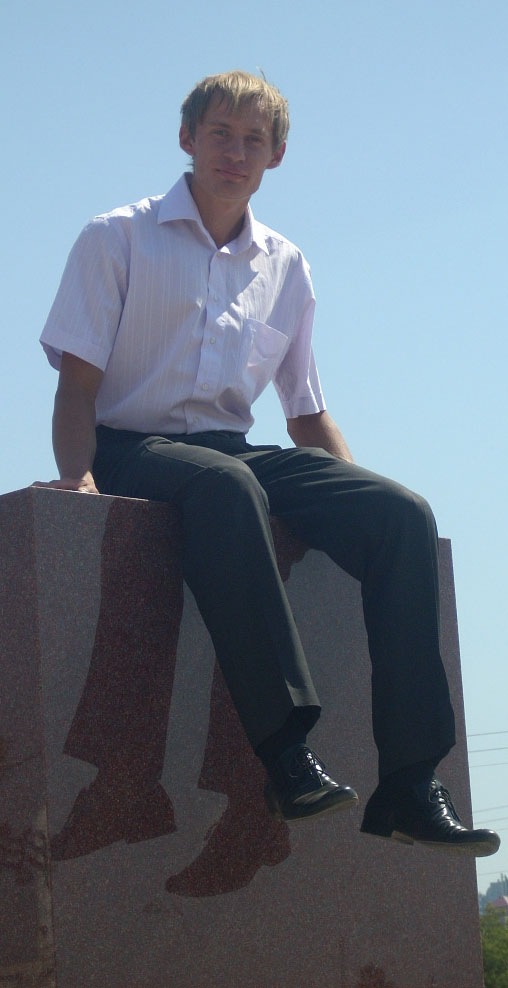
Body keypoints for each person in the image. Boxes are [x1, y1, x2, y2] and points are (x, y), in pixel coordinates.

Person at [37, 69, 499, 856]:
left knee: (401, 513)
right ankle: (286, 758)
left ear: (275, 156)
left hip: (233, 451)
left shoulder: (285, 264)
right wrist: (79, 477)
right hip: (132, 448)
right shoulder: (116, 237)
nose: (235, 152)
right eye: (220, 133)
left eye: (254, 140)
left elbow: (306, 411)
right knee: (225, 487)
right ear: (187, 139)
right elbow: (77, 386)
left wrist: (353, 491)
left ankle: (411, 783)